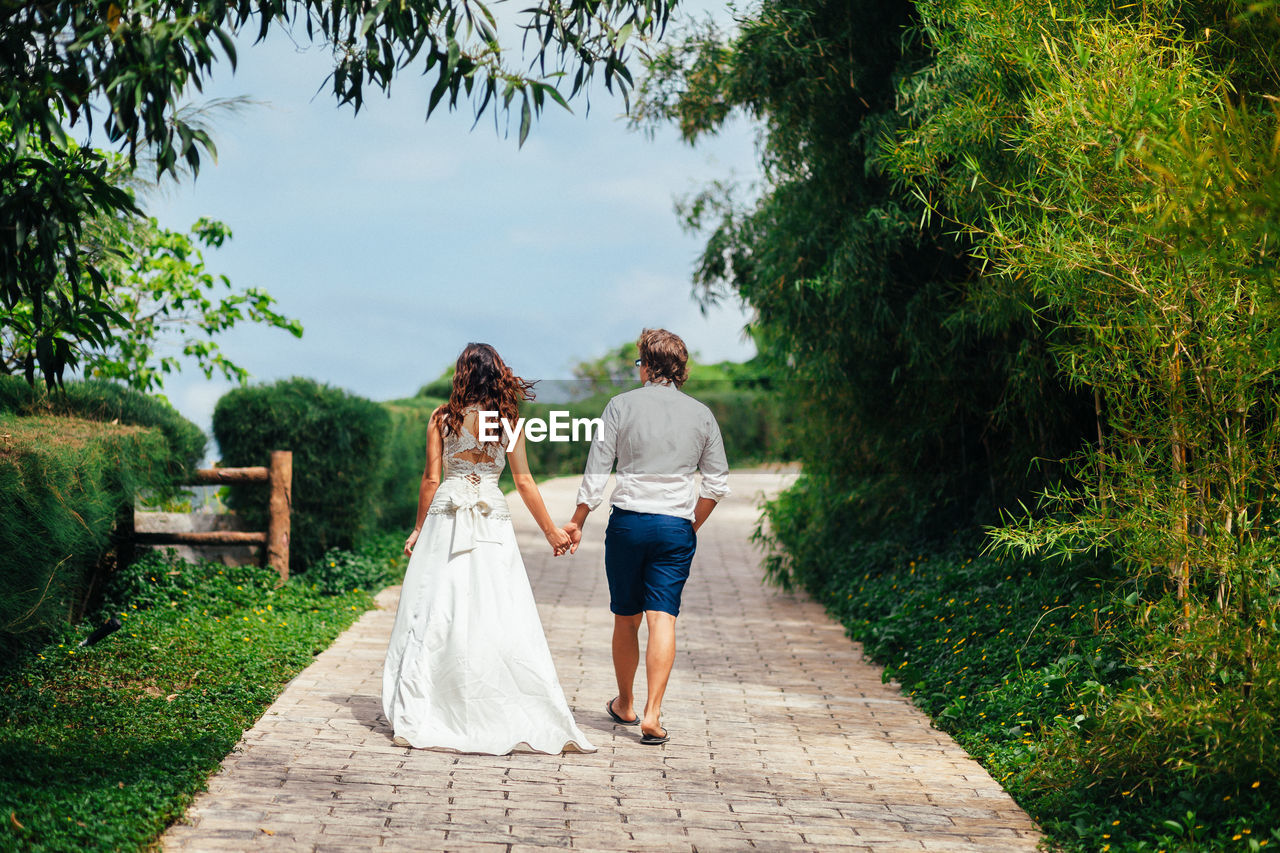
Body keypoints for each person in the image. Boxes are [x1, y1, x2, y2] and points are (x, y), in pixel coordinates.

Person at [382, 343, 595, 755]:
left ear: (461, 374)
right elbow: (526, 481)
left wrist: (418, 527)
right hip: (493, 518)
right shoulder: (509, 423)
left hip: (447, 516)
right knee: (498, 606)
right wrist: (551, 531)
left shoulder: (442, 418)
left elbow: (430, 479)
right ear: (497, 375)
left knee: (439, 607)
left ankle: (435, 702)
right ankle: (497, 700)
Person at [564, 328, 730, 745]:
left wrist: (578, 520)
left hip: (629, 524)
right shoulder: (702, 414)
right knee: (663, 618)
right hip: (675, 526)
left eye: (640, 362)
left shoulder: (619, 406)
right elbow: (716, 484)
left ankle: (625, 703)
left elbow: (597, 471)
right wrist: (689, 526)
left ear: (650, 365)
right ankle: (653, 715)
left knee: (626, 616)